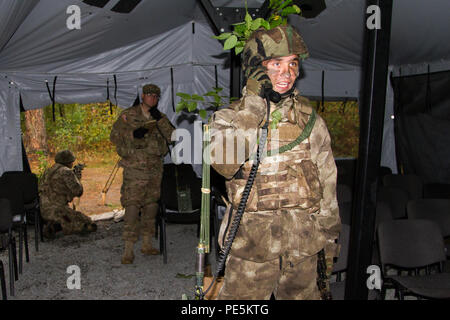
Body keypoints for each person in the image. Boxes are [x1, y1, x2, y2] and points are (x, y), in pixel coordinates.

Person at [209, 25, 341, 299]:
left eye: (293, 64)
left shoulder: (311, 121)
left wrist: (329, 239)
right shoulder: (228, 119)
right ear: (256, 69)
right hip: (251, 250)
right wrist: (255, 105)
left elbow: (327, 184)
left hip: (303, 247)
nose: (287, 72)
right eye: (276, 63)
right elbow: (224, 163)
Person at [110, 84, 175, 264]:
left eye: (156, 96)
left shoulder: (160, 117)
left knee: (151, 205)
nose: (152, 98)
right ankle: (128, 248)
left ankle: (147, 243)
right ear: (142, 96)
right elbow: (114, 136)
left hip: (155, 169)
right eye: (149, 95)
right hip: (135, 168)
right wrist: (133, 134)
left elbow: (172, 136)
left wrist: (160, 121)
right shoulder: (128, 114)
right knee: (132, 206)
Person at [39, 150, 97, 238]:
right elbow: (78, 191)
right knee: (89, 224)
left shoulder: (48, 171)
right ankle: (59, 226)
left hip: (44, 208)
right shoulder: (66, 172)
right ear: (69, 162)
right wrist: (77, 179)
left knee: (75, 218)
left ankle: (55, 225)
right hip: (58, 210)